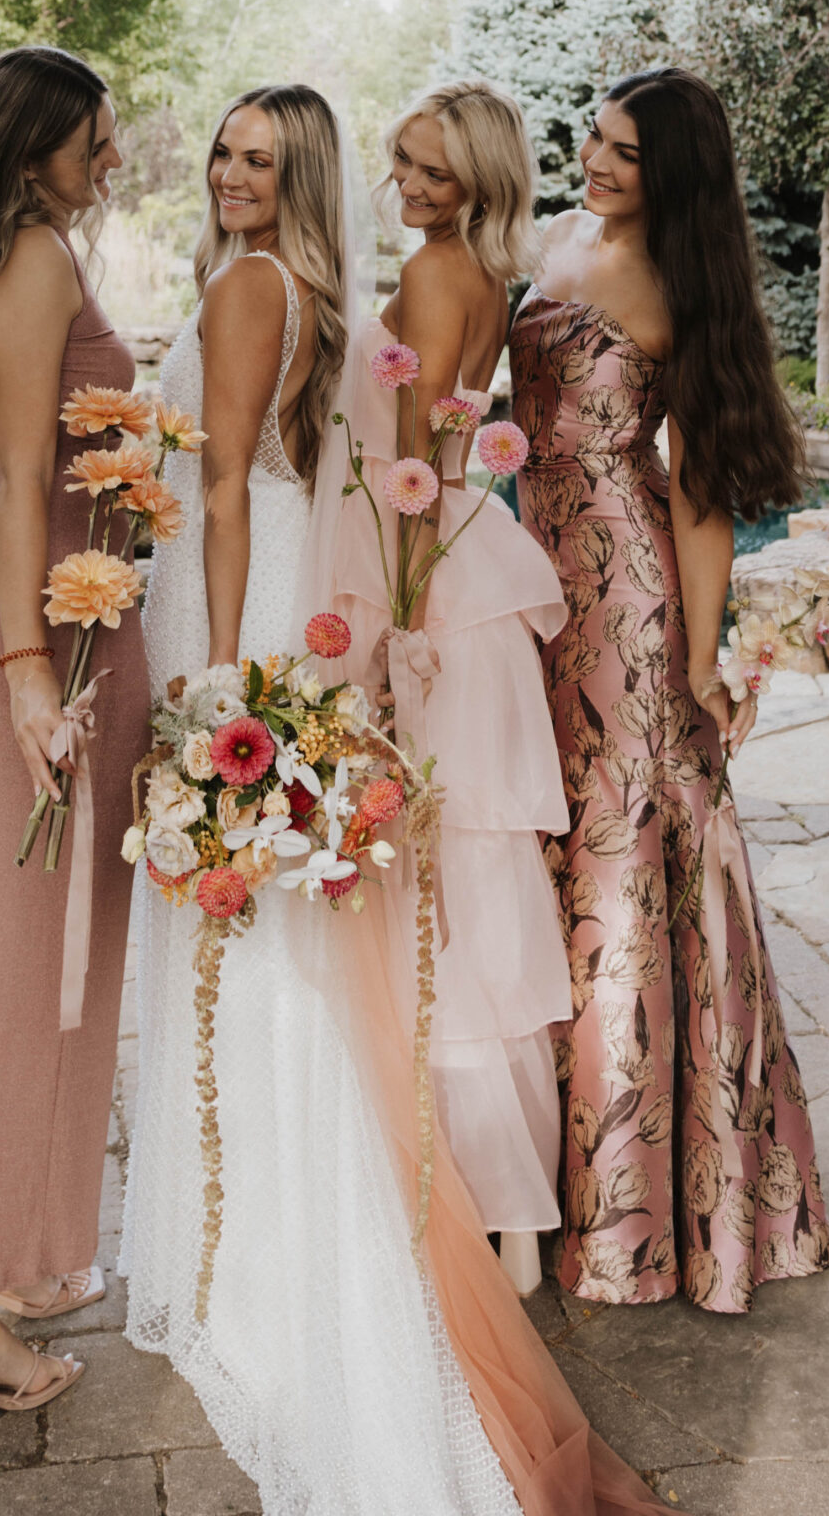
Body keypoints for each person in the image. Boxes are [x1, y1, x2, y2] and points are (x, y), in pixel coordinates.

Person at [120, 82, 661, 1516]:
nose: (232, 172)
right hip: (301, 588)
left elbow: (256, 484)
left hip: (253, 613)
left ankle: (274, 1230)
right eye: (222, 149)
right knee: (298, 930)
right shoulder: (346, 284)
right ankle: (270, 1210)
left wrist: (221, 679)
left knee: (264, 939)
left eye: (259, 156)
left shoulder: (274, 285)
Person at [511, 67, 829, 1314]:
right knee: (542, 859)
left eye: (626, 153)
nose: (596, 160)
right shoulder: (551, 239)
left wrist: (702, 661)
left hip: (628, 611)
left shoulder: (680, 290)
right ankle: (532, 1180)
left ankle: (639, 1218)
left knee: (626, 880)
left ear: (676, 177)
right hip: (527, 588)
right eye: (593, 136)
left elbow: (697, 495)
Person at [0, 47, 151, 1459]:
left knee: (14, 986)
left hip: (56, 636)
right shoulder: (35, 261)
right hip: (26, 645)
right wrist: (21, 678)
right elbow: (9, 489)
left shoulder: (32, 249)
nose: (109, 158)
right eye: (94, 141)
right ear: (37, 145)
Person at [318, 80, 569, 1295]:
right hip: (470, 553)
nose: (408, 187)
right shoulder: (484, 270)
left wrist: (398, 638)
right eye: (401, 164)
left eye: (433, 170)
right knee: (474, 864)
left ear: (477, 177)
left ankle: (476, 1197)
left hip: (425, 574)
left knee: (439, 871)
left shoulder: (430, 274)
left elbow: (409, 468)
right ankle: (516, 1214)